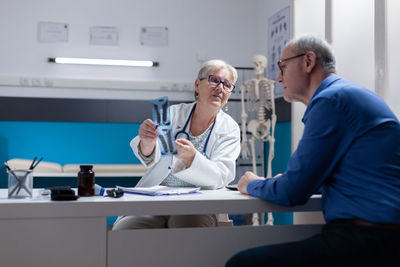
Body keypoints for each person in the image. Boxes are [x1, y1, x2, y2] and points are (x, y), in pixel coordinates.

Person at [226, 35, 400, 267]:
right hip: (381, 235)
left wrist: (252, 183)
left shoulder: (331, 100)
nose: (278, 78)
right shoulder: (348, 96)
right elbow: (344, 174)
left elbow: (293, 192)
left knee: (241, 263)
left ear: (308, 61)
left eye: (283, 67)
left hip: (370, 239)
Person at [113, 59, 240, 229]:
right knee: (126, 228)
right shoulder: (171, 113)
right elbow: (150, 159)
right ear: (197, 84)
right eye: (214, 80)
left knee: (186, 227)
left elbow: (222, 175)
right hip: (158, 195)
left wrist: (193, 159)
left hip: (199, 201)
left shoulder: (229, 128)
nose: (220, 88)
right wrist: (147, 141)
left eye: (227, 85)